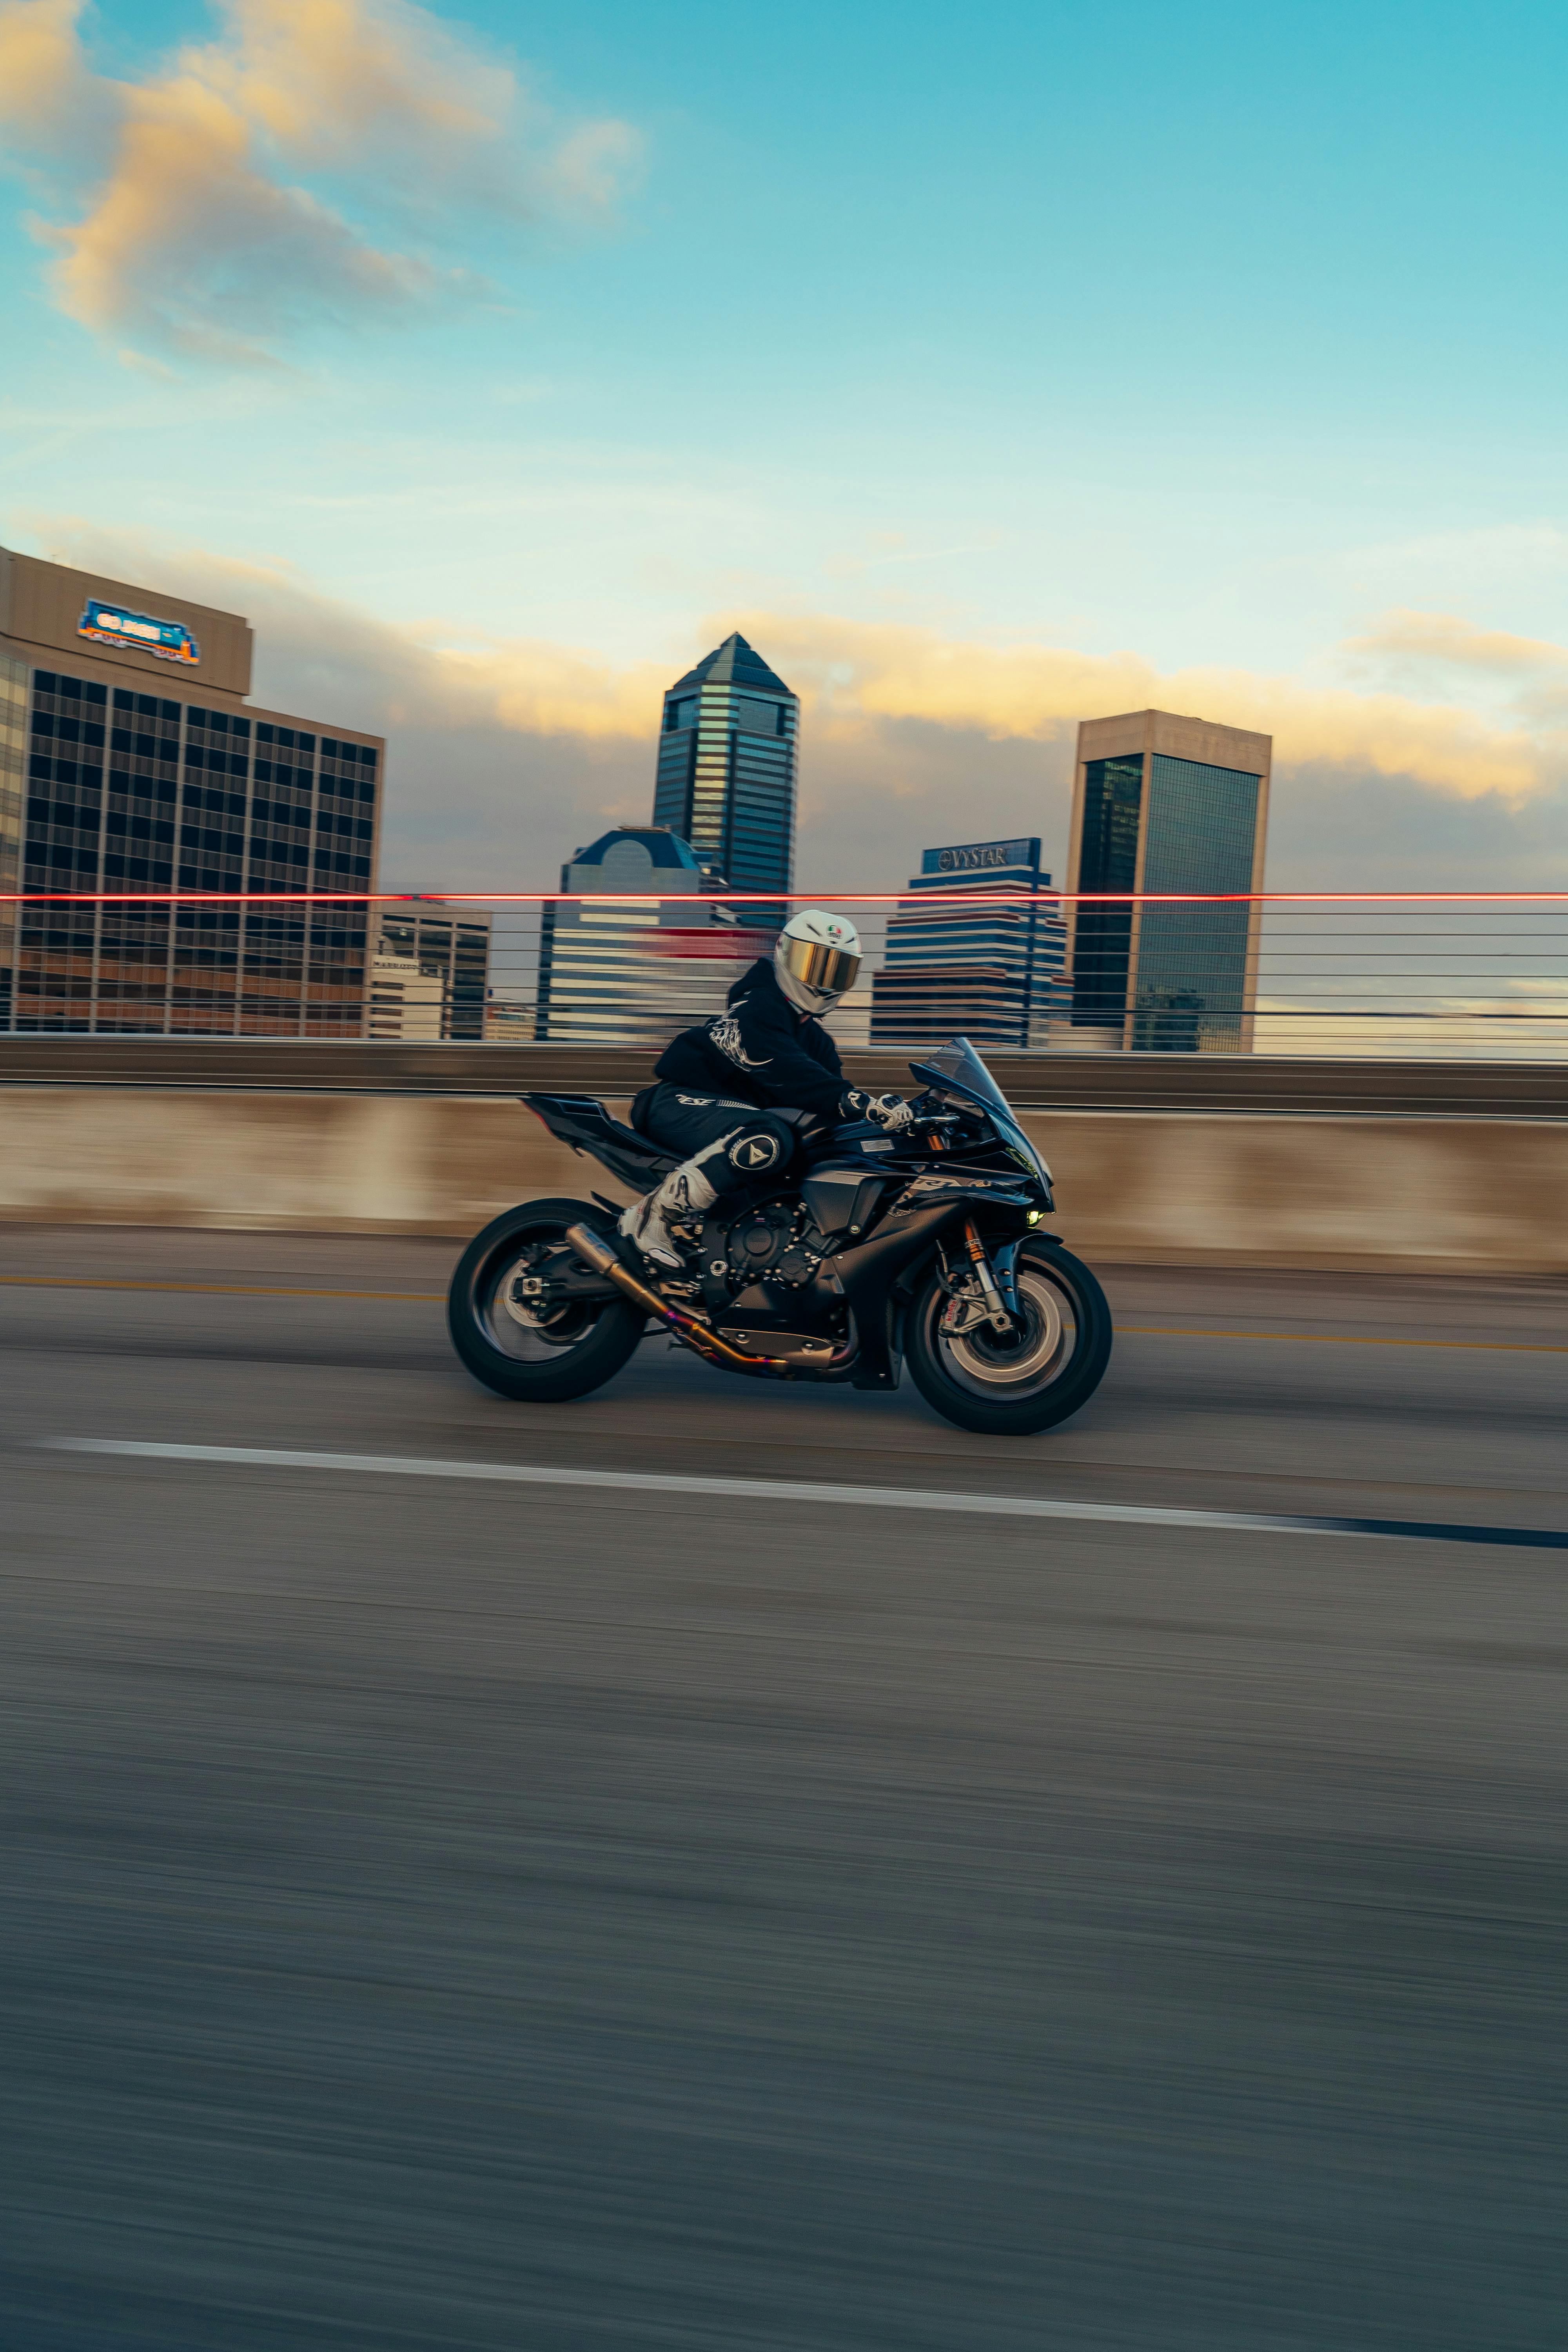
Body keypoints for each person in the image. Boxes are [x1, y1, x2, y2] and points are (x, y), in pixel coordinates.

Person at [619, 909, 915, 1269]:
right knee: (769, 1136)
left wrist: (891, 1119)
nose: (822, 980)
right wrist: (854, 1100)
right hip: (677, 1103)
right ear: (785, 953)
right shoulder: (756, 1006)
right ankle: (652, 1215)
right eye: (813, 964)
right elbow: (786, 1067)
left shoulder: (818, 1042)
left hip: (734, 1120)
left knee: (823, 1149)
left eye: (835, 970)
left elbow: (831, 1103)